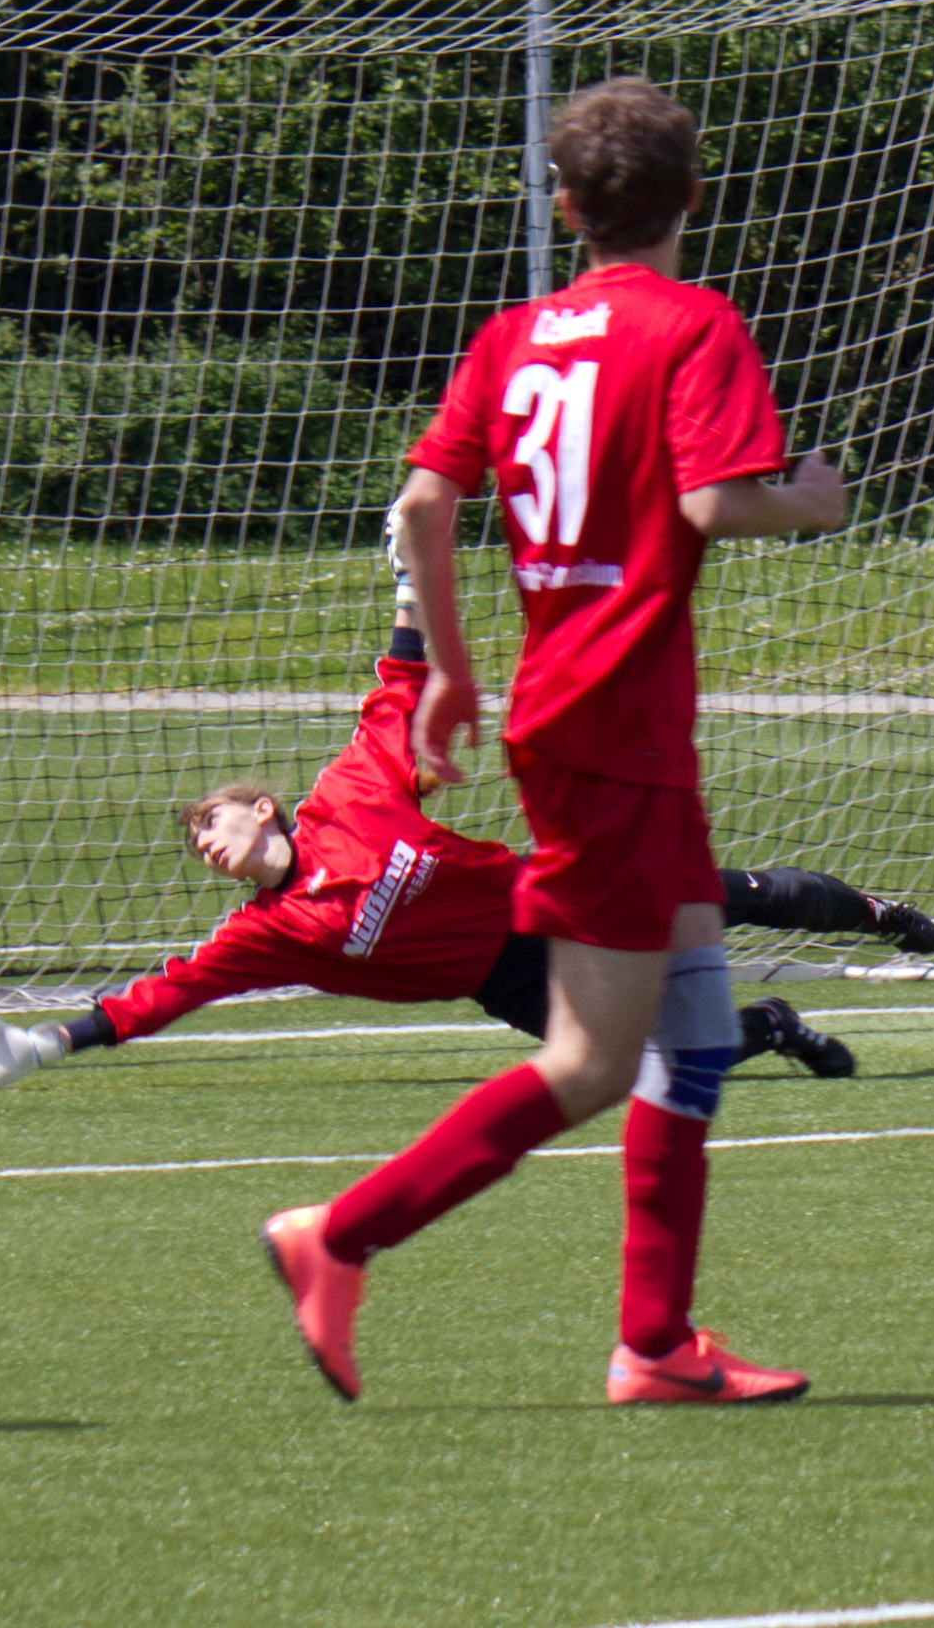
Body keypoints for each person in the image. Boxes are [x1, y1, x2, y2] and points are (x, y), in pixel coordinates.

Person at [257, 74, 847, 1408]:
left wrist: (454, 674)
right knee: (589, 1060)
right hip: (613, 730)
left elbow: (422, 508)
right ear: (694, 196)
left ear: (567, 208)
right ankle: (339, 1235)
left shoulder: (514, 336)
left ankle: (657, 1345)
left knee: (697, 1039)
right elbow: (714, 503)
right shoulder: (694, 323)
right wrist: (811, 500)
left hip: (590, 721)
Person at [0, 570, 934, 1091]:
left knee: (724, 896)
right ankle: (776, 1028)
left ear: (262, 805)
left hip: (544, 892)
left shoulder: (349, 796)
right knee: (649, 1071)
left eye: (212, 818)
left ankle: (880, 914)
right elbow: (161, 997)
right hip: (504, 979)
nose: (205, 839)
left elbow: (399, 690)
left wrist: (412, 586)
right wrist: (44, 1044)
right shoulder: (264, 935)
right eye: (197, 842)